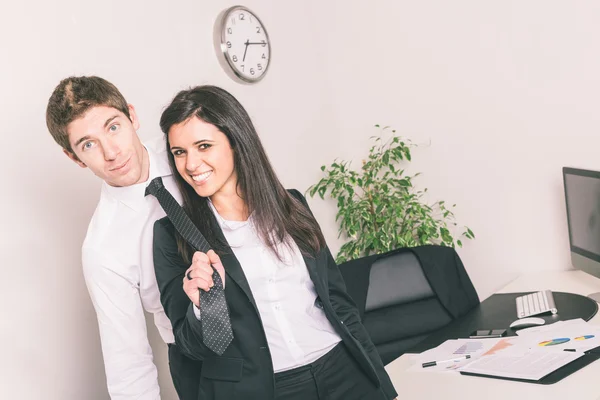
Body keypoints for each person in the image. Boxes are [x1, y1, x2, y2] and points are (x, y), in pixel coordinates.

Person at [152, 85, 399, 399]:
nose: (190, 164)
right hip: (268, 389)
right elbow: (188, 346)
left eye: (203, 146)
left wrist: (381, 382)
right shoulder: (173, 235)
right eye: (179, 152)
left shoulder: (292, 205)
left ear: (236, 142)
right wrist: (201, 308)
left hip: (344, 370)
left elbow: (339, 303)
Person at [45, 76, 202, 399]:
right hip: (201, 362)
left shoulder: (187, 151)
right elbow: (129, 367)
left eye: (113, 127)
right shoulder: (102, 249)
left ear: (132, 116)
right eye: (88, 145)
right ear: (74, 158)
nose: (111, 152)